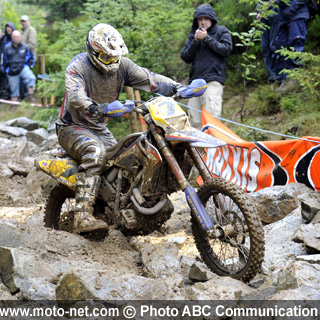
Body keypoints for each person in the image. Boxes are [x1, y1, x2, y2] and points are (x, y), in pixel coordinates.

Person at [55, 23, 181, 234]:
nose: (112, 62)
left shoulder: (122, 65)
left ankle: (127, 212)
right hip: (72, 127)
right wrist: (101, 108)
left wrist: (179, 87)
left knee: (123, 162)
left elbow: (151, 80)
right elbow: (77, 98)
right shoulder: (78, 67)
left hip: (99, 128)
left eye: (115, 57)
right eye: (106, 58)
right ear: (93, 52)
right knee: (96, 154)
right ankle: (82, 216)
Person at [180, 3, 232, 130]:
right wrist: (196, 42)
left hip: (213, 80)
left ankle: (213, 149)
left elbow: (226, 49)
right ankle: (198, 150)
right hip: (195, 82)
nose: (203, 22)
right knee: (194, 122)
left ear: (212, 19)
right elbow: (185, 57)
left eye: (206, 19)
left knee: (212, 119)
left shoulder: (221, 31)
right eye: (200, 19)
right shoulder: (193, 35)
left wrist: (207, 39)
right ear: (196, 20)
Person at [275, 0, 309, 90]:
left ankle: (296, 79)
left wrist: (292, 9)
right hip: (282, 18)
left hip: (297, 13)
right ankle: (286, 79)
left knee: (296, 46)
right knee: (281, 47)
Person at [3, 30, 36, 102]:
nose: (16, 39)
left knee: (31, 78)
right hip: (11, 70)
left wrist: (29, 66)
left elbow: (32, 58)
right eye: (14, 37)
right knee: (13, 91)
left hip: (23, 68)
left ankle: (31, 97)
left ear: (20, 37)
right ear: (12, 38)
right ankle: (14, 105)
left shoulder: (25, 47)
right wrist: (6, 70)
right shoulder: (7, 48)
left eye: (17, 37)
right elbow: (3, 61)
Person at [257, 0, 280, 84]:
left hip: (275, 13)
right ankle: (271, 77)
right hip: (264, 17)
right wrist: (258, 12)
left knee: (274, 45)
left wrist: (271, 4)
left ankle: (278, 76)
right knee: (265, 47)